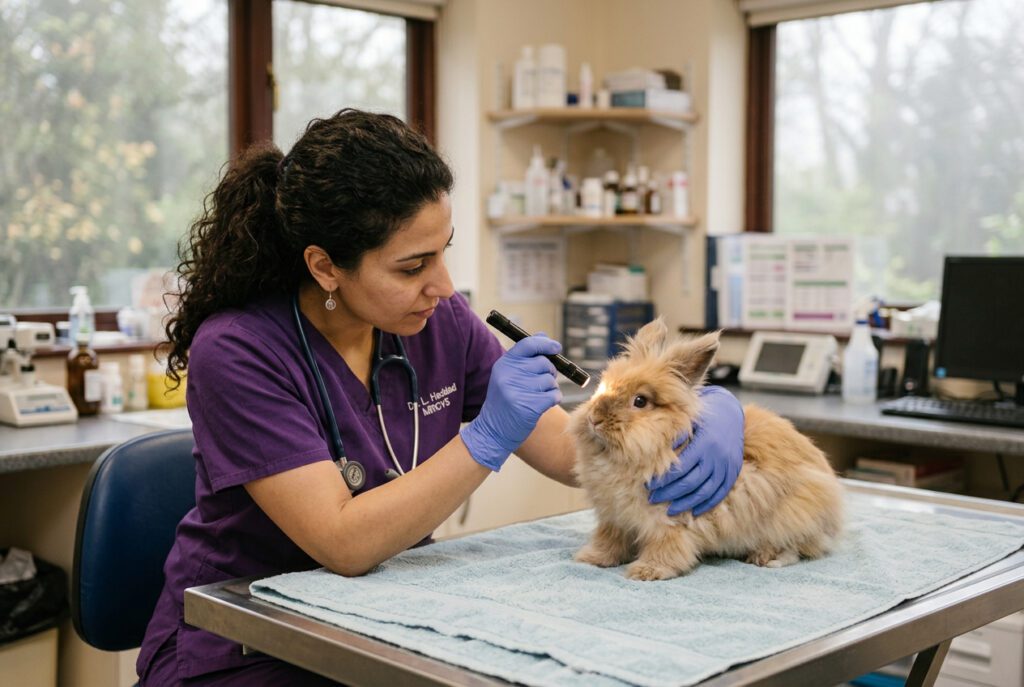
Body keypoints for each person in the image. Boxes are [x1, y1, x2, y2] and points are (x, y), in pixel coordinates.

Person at [138, 109, 745, 686]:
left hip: (378, 620)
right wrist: (483, 439)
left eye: (445, 250)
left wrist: (701, 416)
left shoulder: (440, 322)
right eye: (412, 266)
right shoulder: (240, 350)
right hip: (247, 639)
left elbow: (569, 456)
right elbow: (344, 543)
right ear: (325, 267)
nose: (445, 286)